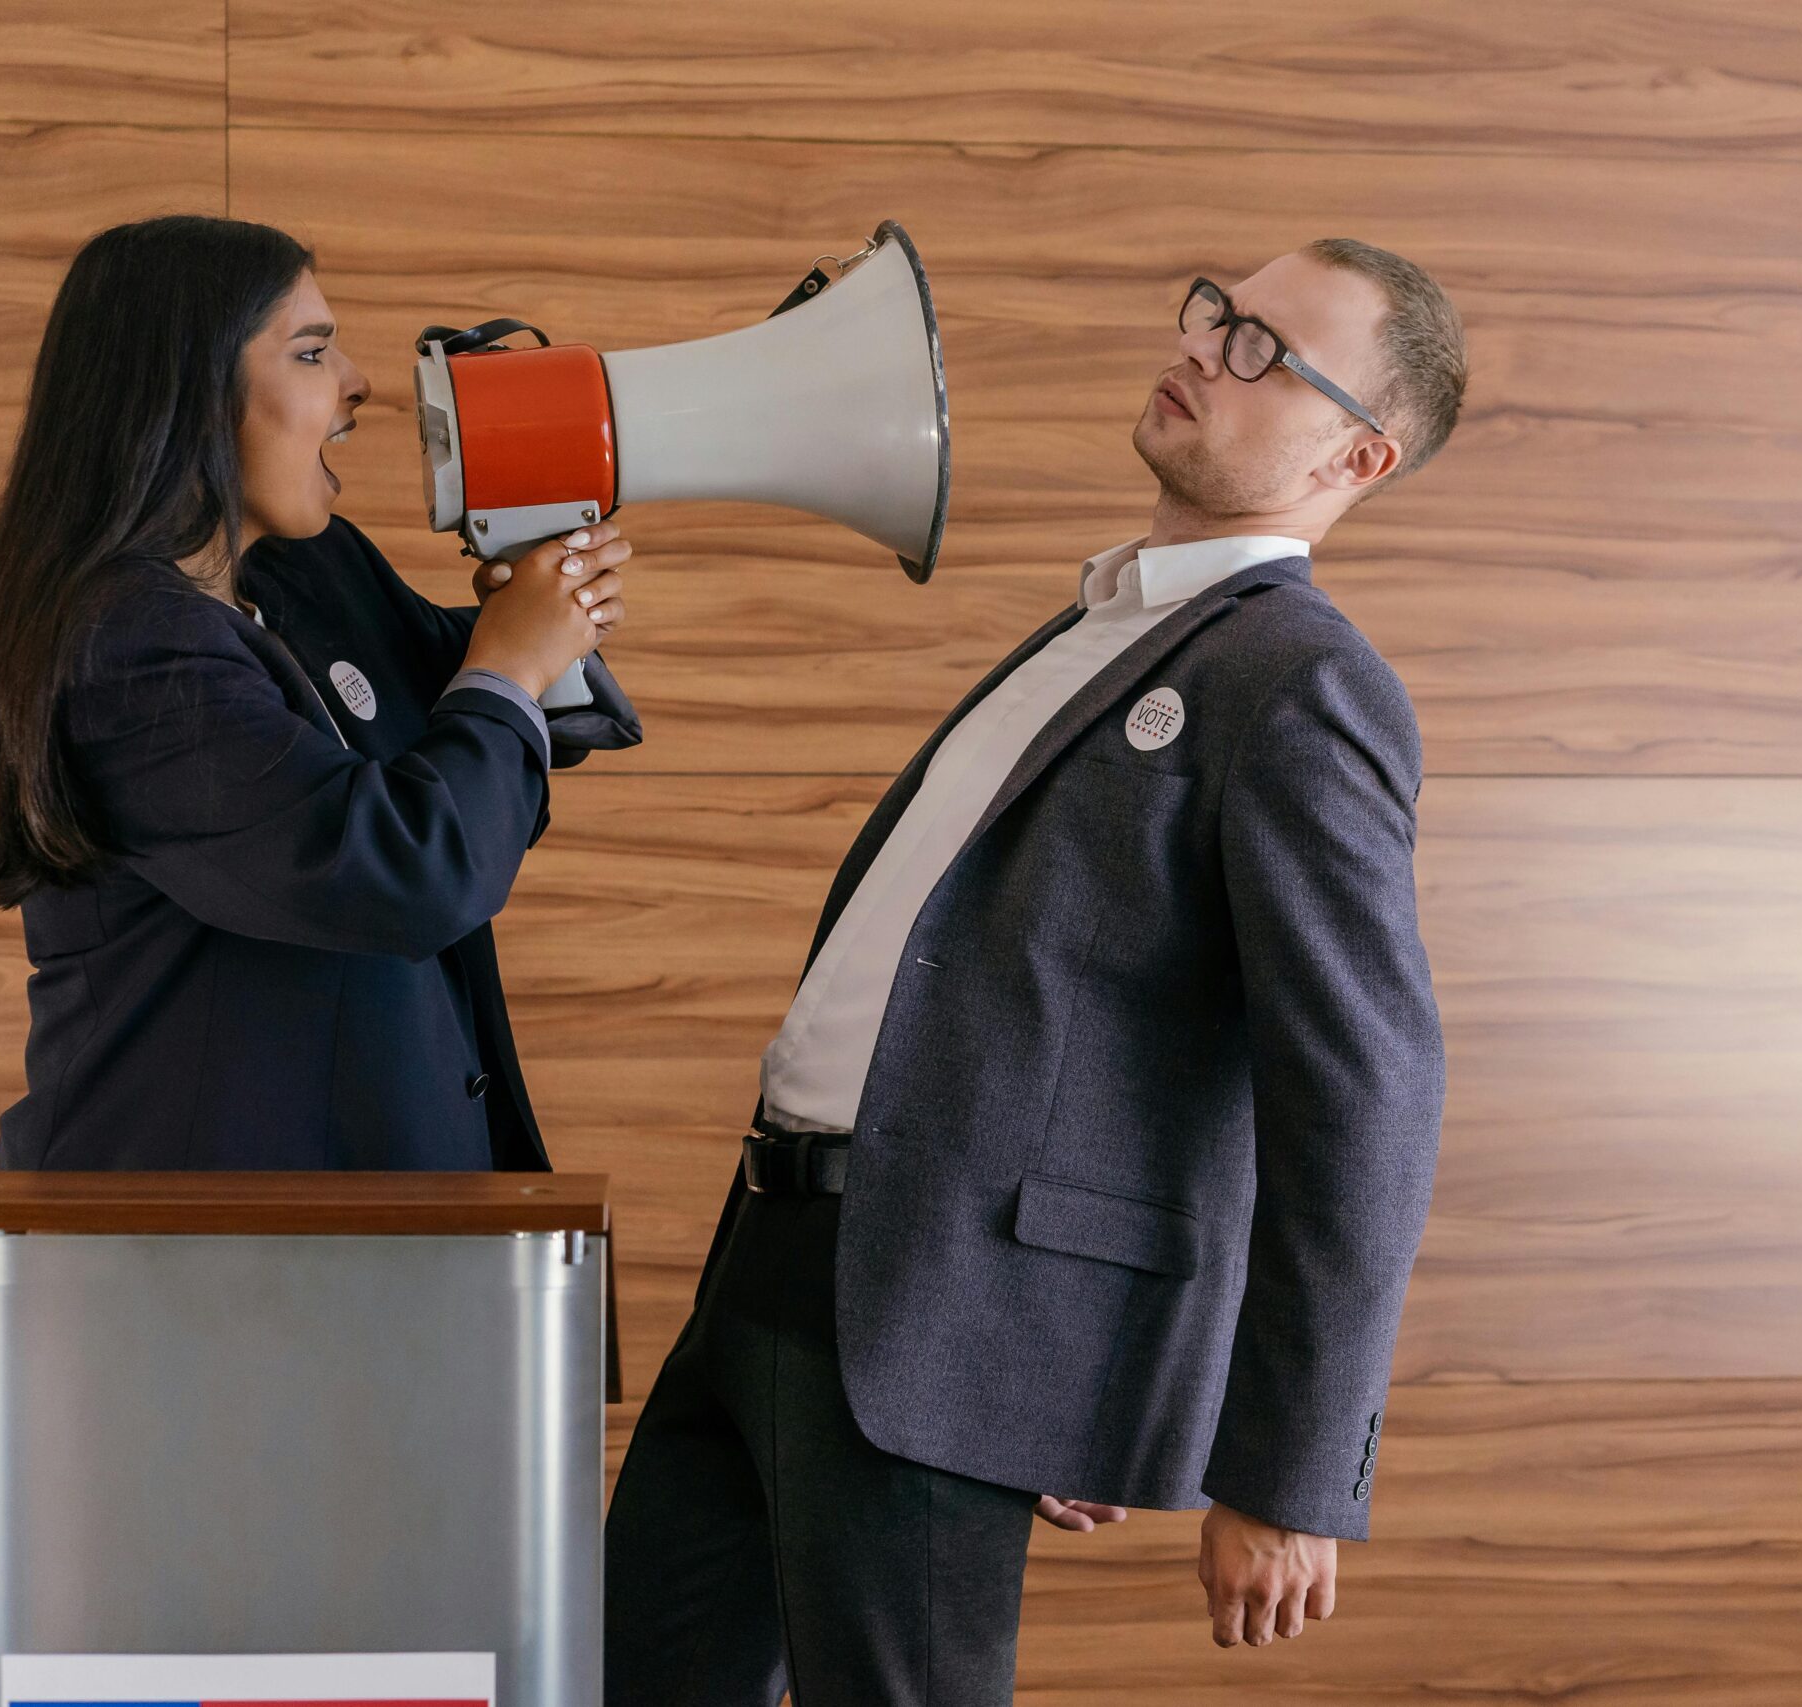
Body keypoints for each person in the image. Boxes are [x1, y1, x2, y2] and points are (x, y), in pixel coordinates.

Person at [602, 237, 1465, 1702]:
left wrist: (1291, 1469)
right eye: (1218, 313)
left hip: (922, 1321)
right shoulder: (1102, 625)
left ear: (1358, 456)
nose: (1207, 349)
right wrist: (1076, 1339)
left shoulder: (1302, 682)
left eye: (1269, 350)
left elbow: (1361, 1094)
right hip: (770, 1264)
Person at [0, 214, 640, 1171]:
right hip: (175, 1258)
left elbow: (466, 738)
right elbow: (415, 865)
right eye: (311, 352)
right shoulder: (129, 654)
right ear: (187, 395)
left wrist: (540, 600)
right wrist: (513, 663)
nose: (358, 382)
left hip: (335, 1248)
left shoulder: (310, 571)